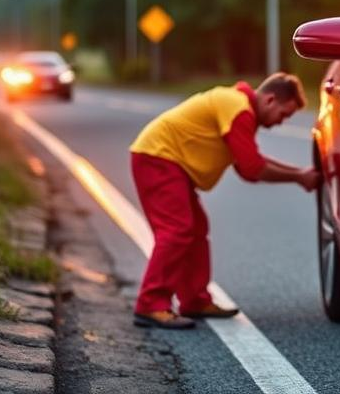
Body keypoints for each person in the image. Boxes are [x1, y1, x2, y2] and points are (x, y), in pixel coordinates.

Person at [129, 73, 319, 329]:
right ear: (271, 99)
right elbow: (252, 168)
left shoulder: (238, 107)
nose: (279, 123)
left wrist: (299, 174)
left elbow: (247, 164)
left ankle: (195, 300)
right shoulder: (239, 109)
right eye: (283, 115)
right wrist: (298, 177)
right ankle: (150, 304)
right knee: (177, 230)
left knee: (196, 230)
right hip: (157, 158)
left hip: (167, 162)